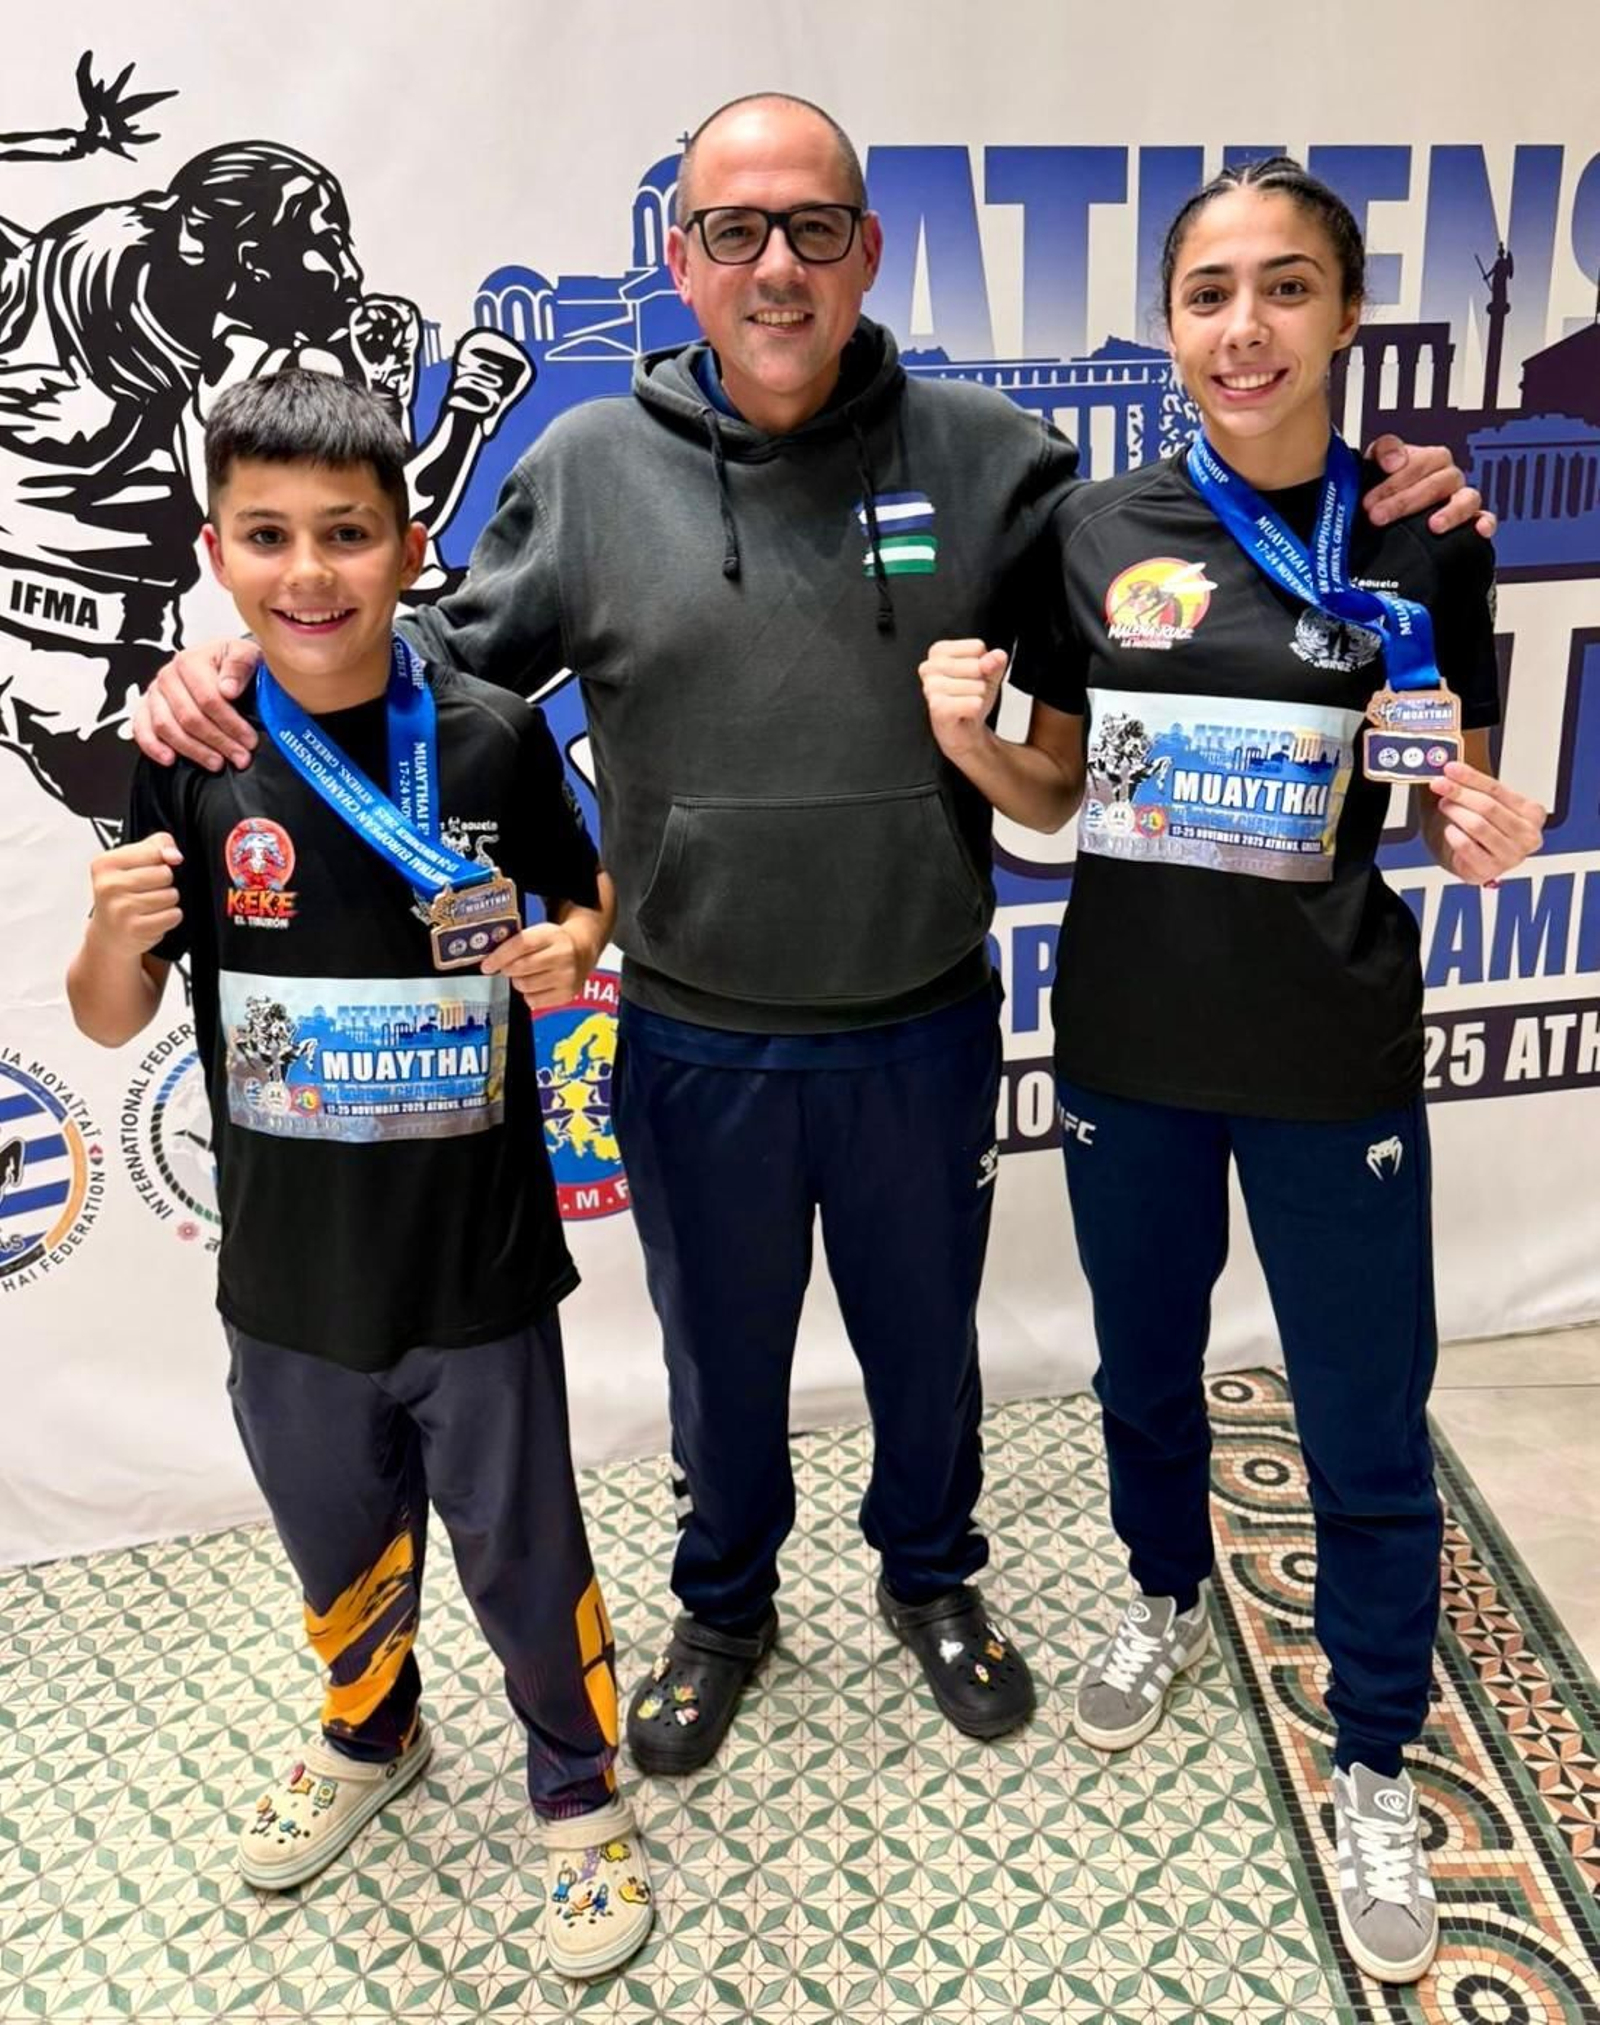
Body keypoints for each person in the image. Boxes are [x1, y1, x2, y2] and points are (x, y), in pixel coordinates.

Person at [129, 96, 1488, 1780]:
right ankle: (724, 1605)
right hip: (695, 1025)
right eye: (735, 232)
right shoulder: (587, 469)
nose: (777, 267)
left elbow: (1209, 563)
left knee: (931, 1354)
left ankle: (934, 1580)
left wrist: (1402, 492)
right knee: (721, 1356)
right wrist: (225, 662)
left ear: (870, 250)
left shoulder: (1000, 464)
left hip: (919, 1014)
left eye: (814, 229)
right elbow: (401, 657)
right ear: (682, 260)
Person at [917, 156, 1544, 1985]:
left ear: (1348, 316)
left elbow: (1446, 786)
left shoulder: (1427, 530)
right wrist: (975, 744)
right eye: (1209, 293)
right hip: (1132, 1035)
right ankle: (1163, 1590)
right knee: (1141, 1363)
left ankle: (1369, 1748)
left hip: (1331, 1047)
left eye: (1285, 288)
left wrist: (1476, 820)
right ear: (1169, 323)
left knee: (1364, 1407)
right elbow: (1052, 793)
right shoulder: (1094, 532)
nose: (1244, 327)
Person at [66, 370, 652, 1981]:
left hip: (473, 1260)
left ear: (409, 544)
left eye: (345, 534)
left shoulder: (487, 730)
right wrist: (103, 948)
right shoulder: (193, 747)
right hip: (288, 1276)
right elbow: (110, 1013)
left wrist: (572, 945)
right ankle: (369, 1727)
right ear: (216, 550)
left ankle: (578, 1786)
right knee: (337, 1540)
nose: (308, 572)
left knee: (524, 1548)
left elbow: (587, 898)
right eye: (268, 537)